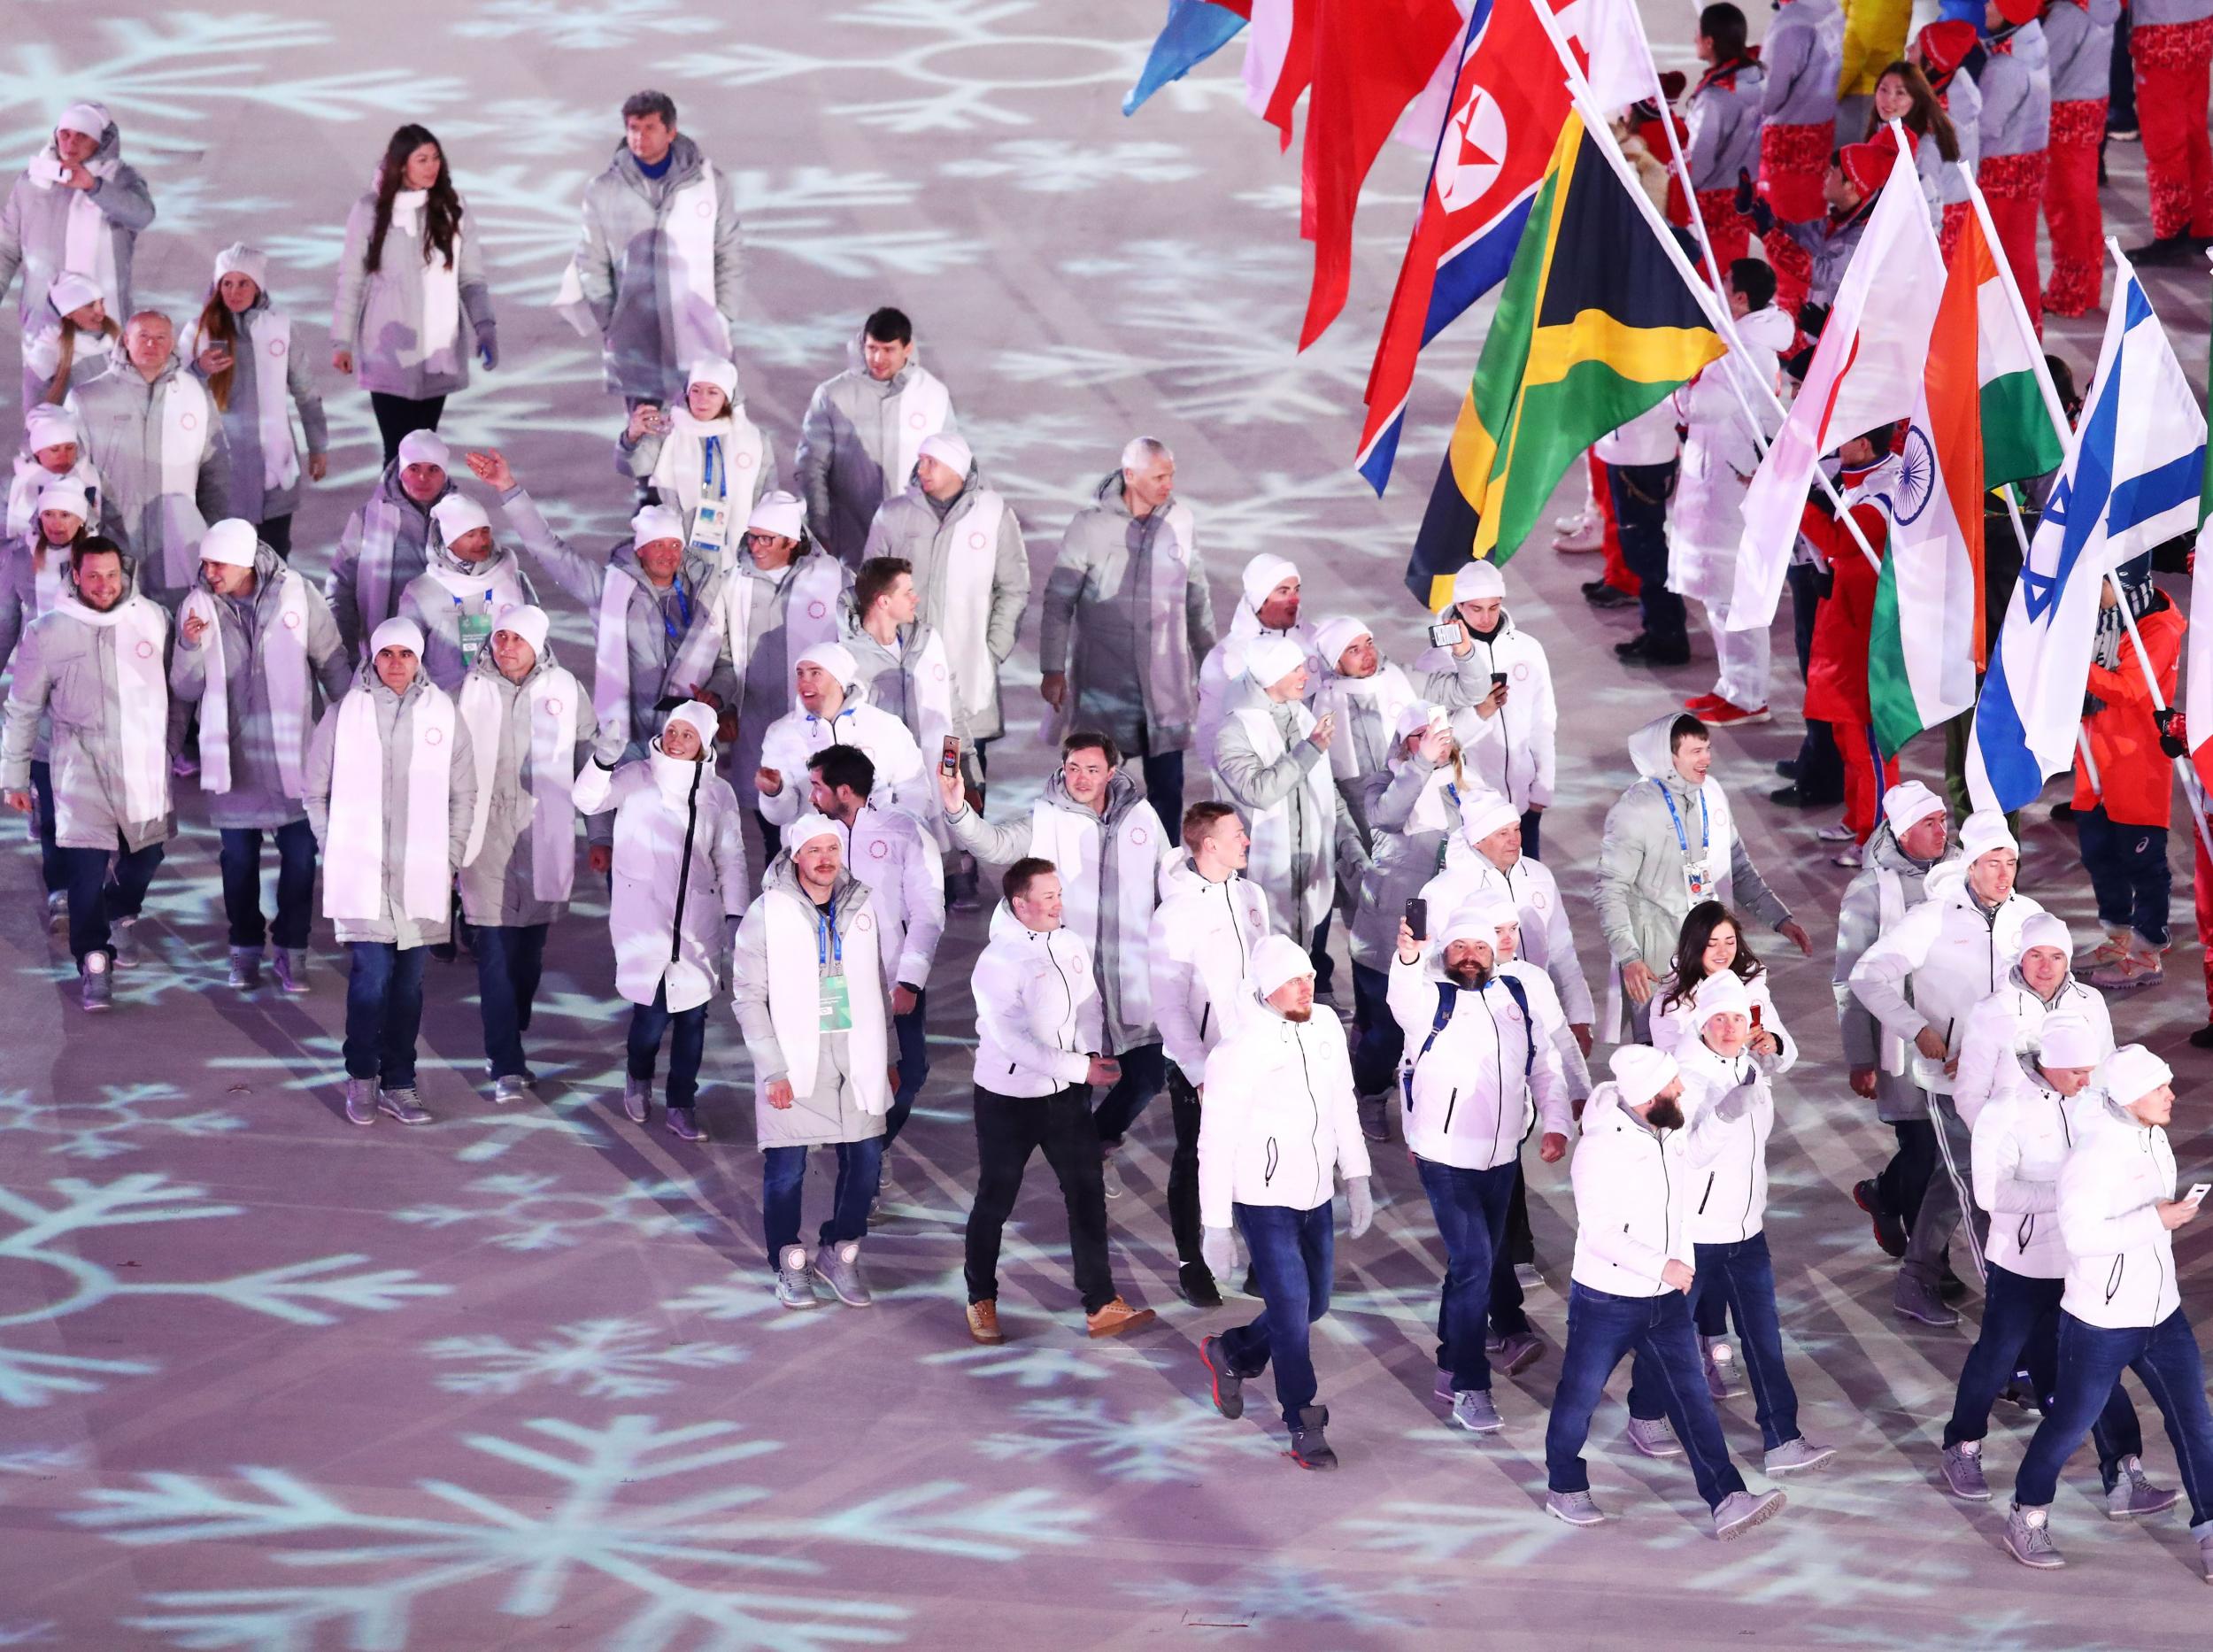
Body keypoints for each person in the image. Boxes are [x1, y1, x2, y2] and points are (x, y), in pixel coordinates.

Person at [1543, 1045, 1789, 1539]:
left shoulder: (1667, 1128)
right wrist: (1665, 1265)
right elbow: (1600, 1233)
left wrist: (1722, 1116)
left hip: (1666, 1298)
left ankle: (1726, 1498)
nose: (1681, 1090)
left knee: (1693, 1396)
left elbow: (1695, 1156)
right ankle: (1564, 1487)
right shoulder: (1599, 1151)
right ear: (1647, 1097)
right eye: (1672, 1085)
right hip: (1606, 1301)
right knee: (1580, 1397)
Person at [1941, 1015, 2171, 1516]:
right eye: (2076, 1073)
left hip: (2083, 1263)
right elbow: (1991, 1194)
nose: (2087, 1083)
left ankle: (2124, 1472)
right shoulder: (2003, 1112)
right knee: (1997, 1357)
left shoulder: (2092, 1102)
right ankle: (1962, 1444)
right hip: (2022, 1264)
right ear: (2047, 1065)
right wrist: (2068, 1196)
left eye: (2091, 1071)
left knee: (2096, 1372)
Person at [2003, 1046, 2213, 1575]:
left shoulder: (2153, 1136)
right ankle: (2026, 1514)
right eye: (2159, 1087)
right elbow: (2081, 1237)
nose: (2172, 1093)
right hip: (2100, 1324)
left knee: (2196, 1423)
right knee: (2070, 1425)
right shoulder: (2093, 1158)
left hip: (2163, 1316)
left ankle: (2210, 1529)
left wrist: (2162, 1220)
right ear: (2128, 1097)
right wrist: (2156, 1221)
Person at [1618, 974, 1837, 1476]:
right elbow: (1686, 1156)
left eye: (1738, 1018)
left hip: (1746, 1231)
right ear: (1701, 1022)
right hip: (1695, 1234)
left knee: (1764, 1338)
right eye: (1719, 1018)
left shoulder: (1748, 1068)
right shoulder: (1689, 1079)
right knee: (1672, 1334)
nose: (1729, 1027)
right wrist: (1723, 1115)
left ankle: (1782, 1437)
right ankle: (1646, 1412)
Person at [942, 731, 1175, 1196]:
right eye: (1073, 768)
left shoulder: (1142, 816)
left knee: (1148, 1073)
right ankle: (1083, 1172)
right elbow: (992, 844)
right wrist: (956, 809)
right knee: (1079, 1079)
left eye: (1092, 769)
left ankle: (1099, 1141)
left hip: (1132, 974)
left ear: (1112, 771)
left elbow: (1168, 881)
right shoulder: (1045, 819)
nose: (1081, 778)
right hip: (1073, 977)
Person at [1850, 810, 2044, 1325]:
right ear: (1970, 866)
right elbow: (1866, 975)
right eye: (1992, 863)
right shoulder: (1934, 917)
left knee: (1950, 1182)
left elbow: (2047, 993)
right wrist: (1917, 1029)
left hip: (2015, 1079)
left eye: (2012, 863)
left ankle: (1914, 1282)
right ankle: (2012, 1319)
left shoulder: (2030, 917)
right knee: (1981, 1190)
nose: (2005, 874)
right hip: (1952, 1083)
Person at [1390, 899, 1571, 1430]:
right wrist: (1406, 957)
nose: (1470, 957)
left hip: (1502, 1158)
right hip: (1445, 1158)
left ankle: (1451, 1362)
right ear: (1444, 953)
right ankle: (1471, 1384)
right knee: (1473, 1264)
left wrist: (1556, 1121)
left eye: (1480, 948)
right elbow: (1401, 995)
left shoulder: (1515, 996)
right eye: (1460, 948)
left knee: (1475, 1264)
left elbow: (1544, 1064)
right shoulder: (1428, 999)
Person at [963, 856, 1159, 1345]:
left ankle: (1100, 1303)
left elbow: (1089, 1004)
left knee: (1087, 1194)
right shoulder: (997, 962)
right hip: (1008, 1099)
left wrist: (1091, 1049)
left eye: (1058, 894)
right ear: (1020, 904)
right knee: (996, 1199)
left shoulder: (1069, 941)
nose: (1058, 904)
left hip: (1065, 1098)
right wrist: (1082, 1069)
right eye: (1048, 897)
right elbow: (1015, 1045)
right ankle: (980, 1297)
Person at [1197, 933, 1373, 1471]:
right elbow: (1215, 1141)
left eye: (1310, 978)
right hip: (1264, 1197)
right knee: (1294, 1312)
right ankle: (1303, 1420)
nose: (1307, 987)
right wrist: (1216, 1226)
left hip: (1315, 1194)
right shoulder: (1238, 1050)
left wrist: (1358, 1174)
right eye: (1294, 980)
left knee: (1312, 1305)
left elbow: (1343, 1100)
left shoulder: (1322, 1026)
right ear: (1266, 988)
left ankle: (1234, 1352)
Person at [304, 617, 475, 1126]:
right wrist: (333, 846)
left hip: (421, 875)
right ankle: (362, 1076)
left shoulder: (443, 713)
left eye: (406, 654)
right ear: (372, 658)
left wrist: (448, 859)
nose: (396, 664)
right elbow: (315, 791)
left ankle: (400, 1083)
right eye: (387, 654)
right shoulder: (343, 714)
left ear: (419, 659)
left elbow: (462, 794)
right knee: (372, 980)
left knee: (408, 988)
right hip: (364, 872)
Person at [171, 519, 350, 993]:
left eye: (218, 563)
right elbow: (184, 687)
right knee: (238, 863)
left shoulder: (298, 594)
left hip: (294, 756)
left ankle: (293, 950)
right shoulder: (196, 607)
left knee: (299, 859)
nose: (209, 572)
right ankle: (245, 949)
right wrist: (189, 645)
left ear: (246, 561)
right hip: (236, 761)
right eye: (205, 562)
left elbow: (331, 661)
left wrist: (353, 728)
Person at [472, 451, 732, 764]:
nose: (668, 554)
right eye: (659, 545)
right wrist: (508, 488)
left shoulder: (705, 594)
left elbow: (726, 663)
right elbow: (550, 550)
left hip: (685, 738)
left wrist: (717, 695)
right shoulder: (612, 588)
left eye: (675, 545)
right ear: (640, 550)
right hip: (628, 735)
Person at [0, 535, 171, 1009]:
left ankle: (120, 911)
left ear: (125, 574)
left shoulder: (151, 620)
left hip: (141, 771)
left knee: (148, 855)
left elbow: (181, 690)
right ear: (75, 576)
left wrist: (170, 748)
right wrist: (14, 777)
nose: (103, 585)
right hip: (80, 773)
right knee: (85, 872)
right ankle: (94, 961)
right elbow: (23, 706)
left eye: (111, 575)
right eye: (92, 575)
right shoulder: (49, 631)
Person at [734, 813, 893, 1310]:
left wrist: (891, 1052)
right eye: (814, 850)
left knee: (866, 1163)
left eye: (833, 849)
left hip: (856, 1055)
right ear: (796, 856)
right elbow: (747, 996)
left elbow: (877, 982)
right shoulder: (769, 911)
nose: (825, 860)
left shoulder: (860, 905)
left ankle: (839, 1252)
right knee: (787, 1168)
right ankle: (787, 1262)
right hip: (797, 1058)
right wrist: (772, 1068)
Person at [573, 701, 748, 1140]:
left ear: (704, 744)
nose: (676, 740)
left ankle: (682, 1103)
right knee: (650, 1018)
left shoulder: (718, 793)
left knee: (692, 1020)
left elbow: (731, 858)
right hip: (644, 917)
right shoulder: (639, 777)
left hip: (694, 922)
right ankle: (638, 1075)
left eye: (688, 735)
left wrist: (735, 914)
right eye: (672, 731)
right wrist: (602, 761)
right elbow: (588, 798)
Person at [1596, 713, 1810, 1044]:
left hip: (1712, 953)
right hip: (1658, 960)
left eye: (1708, 749)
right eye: (1696, 751)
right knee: (1660, 1058)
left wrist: (1779, 919)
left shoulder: (1712, 794)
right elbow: (1611, 889)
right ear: (1669, 758)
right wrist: (1629, 956)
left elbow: (1736, 866)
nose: (1707, 759)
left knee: (1720, 1045)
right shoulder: (1634, 811)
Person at [1038, 437, 1214, 834]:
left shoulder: (1180, 522)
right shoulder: (1091, 526)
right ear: (1130, 476)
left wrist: (1210, 664)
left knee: (1168, 790)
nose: (1168, 484)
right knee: (1094, 790)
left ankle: (1165, 875)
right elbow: (1058, 601)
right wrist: (1052, 668)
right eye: (1159, 476)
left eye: (1171, 475)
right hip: (1104, 689)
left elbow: (1196, 595)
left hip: (1164, 689)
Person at [456, 606, 596, 1103]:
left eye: (517, 639)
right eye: (501, 639)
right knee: (493, 952)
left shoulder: (565, 689)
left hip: (543, 833)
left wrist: (599, 835)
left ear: (537, 645)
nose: (507, 647)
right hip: (485, 837)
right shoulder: (467, 690)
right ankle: (506, 1061)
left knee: (527, 955)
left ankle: (510, 1028)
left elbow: (589, 764)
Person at [1149, 800, 1274, 1307]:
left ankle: (1261, 1257)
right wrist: (1198, 1070)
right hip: (1199, 1062)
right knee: (1197, 1159)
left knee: (1256, 1154)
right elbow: (1169, 1004)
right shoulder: (1175, 914)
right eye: (1237, 834)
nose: (1246, 841)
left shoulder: (1252, 896)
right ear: (1209, 845)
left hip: (1254, 1053)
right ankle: (1191, 1261)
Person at [668, 490, 851, 834]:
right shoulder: (733, 584)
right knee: (771, 824)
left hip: (820, 731)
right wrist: (720, 701)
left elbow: (853, 652)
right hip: (760, 731)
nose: (756, 546)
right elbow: (724, 659)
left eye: (767, 538)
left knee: (824, 829)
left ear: (791, 541)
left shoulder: (833, 580)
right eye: (752, 537)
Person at [858, 430, 1028, 791]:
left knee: (957, 765)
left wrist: (992, 650)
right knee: (898, 768)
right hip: (900, 668)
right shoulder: (895, 514)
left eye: (931, 461)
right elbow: (870, 587)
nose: (922, 468)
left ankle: (964, 840)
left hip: (963, 672)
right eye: (920, 459)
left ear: (957, 467)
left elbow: (1013, 588)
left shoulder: (992, 513)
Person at [1835, 781, 1956, 1266]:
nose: (1941, 831)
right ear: (1903, 833)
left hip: (1957, 1039)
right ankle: (1932, 1265)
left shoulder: (1962, 875)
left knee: (1947, 1154)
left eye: (1944, 820)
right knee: (1924, 1150)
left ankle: (1883, 1193)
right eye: (1929, 823)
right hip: (1901, 1046)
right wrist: (1861, 1057)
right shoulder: (1868, 892)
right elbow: (1850, 979)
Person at [804, 745, 942, 1168]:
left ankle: (872, 1153)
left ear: (844, 790)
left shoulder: (905, 831)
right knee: (845, 1078)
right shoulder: (808, 835)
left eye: (817, 787)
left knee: (910, 1073)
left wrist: (910, 980)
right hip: (831, 984)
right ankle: (861, 1171)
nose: (811, 797)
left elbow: (928, 912)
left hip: (892, 981)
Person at [557, 90, 742, 405]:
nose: (639, 137)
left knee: (703, 435)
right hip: (636, 337)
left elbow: (728, 252)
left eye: (649, 128)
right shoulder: (604, 190)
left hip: (698, 331)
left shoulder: (708, 183)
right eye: (633, 129)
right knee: (644, 438)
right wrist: (611, 320)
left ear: (670, 131)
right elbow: (592, 260)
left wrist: (724, 315)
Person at [1670, 259, 1792, 730]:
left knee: (1734, 595)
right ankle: (1732, 684)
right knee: (1720, 594)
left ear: (1741, 297)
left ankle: (1748, 696)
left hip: (1730, 484)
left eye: (1725, 284)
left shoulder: (1746, 350)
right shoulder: (1743, 342)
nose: (1720, 290)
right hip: (1720, 476)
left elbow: (1707, 406)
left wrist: (1678, 390)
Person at [332, 124, 495, 461]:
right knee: (399, 454)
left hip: (438, 349)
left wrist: (485, 325)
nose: (432, 166)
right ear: (401, 164)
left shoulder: (452, 208)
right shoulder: (370, 210)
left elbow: (470, 277)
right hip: (388, 350)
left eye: (435, 158)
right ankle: (391, 514)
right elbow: (352, 278)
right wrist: (342, 341)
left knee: (425, 454)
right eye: (422, 159)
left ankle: (422, 515)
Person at [67, 311, 229, 608]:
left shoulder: (194, 395)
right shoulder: (89, 398)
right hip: (112, 547)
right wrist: (87, 539)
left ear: (172, 344)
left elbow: (215, 473)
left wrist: (212, 536)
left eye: (160, 337)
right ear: (126, 340)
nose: (151, 344)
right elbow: (74, 479)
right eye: (143, 336)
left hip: (179, 545)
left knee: (181, 636)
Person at [1798, 424, 1907, 865]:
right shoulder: (1859, 478)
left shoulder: (1883, 491)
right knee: (1846, 733)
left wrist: (1798, 506)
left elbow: (1842, 541)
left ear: (1864, 444)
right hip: (1843, 622)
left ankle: (1877, 835)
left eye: (1845, 438)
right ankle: (1856, 816)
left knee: (1869, 742)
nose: (1836, 446)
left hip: (1870, 631)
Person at [1346, 706, 1460, 1131]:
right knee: (1388, 1030)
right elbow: (1387, 816)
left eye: (1438, 734)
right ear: (1404, 744)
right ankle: (1371, 1093)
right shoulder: (1384, 783)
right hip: (1386, 935)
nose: (1433, 741)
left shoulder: (1462, 783)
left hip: (1442, 932)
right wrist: (1423, 764)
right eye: (1420, 735)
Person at [2070, 566, 2183, 992]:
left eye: (2097, 581)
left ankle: (2148, 948)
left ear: (2121, 583)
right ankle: (2118, 939)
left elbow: (2130, 688)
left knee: (2144, 864)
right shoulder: (2106, 618)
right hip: (2094, 757)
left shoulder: (2157, 628)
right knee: (2099, 855)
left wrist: (2073, 664)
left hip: (2136, 765)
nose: (2089, 591)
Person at [1426, 789, 1595, 1061]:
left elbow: (1562, 952)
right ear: (1478, 840)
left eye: (1515, 829)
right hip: (1481, 1027)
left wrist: (1578, 1016)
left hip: (1539, 1015)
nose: (1515, 839)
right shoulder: (1445, 891)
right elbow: (1435, 968)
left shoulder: (1539, 876)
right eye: (1502, 833)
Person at [182, 245, 328, 558]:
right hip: (222, 467)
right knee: (224, 556)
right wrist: (198, 370)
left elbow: (305, 390)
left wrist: (318, 446)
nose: (234, 292)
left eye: (243, 283)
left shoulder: (279, 327)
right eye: (227, 283)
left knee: (273, 554)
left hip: (273, 463)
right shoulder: (198, 332)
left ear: (258, 286)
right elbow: (175, 395)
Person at [1212, 635, 1337, 993]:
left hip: (1307, 854)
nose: (1305, 675)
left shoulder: (1301, 714)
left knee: (1305, 942)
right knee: (1264, 954)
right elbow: (1258, 792)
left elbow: (1326, 788)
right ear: (1271, 676)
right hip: (1262, 863)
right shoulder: (1235, 729)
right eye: (1295, 668)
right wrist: (1310, 748)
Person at [795, 307, 960, 567]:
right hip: (848, 538)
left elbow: (953, 467)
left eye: (888, 349)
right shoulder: (834, 394)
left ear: (907, 348)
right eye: (872, 348)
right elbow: (811, 466)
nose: (877, 358)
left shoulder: (932, 395)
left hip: (914, 540)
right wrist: (820, 527)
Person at [0, 475, 90, 925]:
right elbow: (5, 625)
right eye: (49, 514)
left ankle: (93, 881)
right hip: (39, 696)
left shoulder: (101, 560)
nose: (56, 523)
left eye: (65, 515)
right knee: (52, 804)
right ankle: (60, 887)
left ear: (82, 518)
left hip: (90, 697)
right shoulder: (20, 561)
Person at [1426, 560, 1558, 856]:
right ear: (1458, 605)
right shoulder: (1438, 660)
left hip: (1523, 805)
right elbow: (1438, 742)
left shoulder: (1528, 648)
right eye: (1476, 608)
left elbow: (1543, 721)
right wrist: (1479, 712)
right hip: (1470, 808)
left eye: (1494, 607)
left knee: (1524, 885)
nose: (1486, 618)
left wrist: (1542, 789)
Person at [0, 103, 153, 355]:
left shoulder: (119, 178)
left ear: (99, 141)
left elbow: (142, 215)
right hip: (43, 326)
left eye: (82, 136)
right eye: (65, 134)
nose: (71, 143)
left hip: (103, 324)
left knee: (101, 392)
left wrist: (94, 186)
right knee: (43, 392)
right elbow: (6, 248)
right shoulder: (31, 183)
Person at [1953, 914, 2115, 1127]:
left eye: (2056, 957)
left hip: (2080, 1136)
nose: (2046, 968)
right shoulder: (1991, 1011)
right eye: (2036, 956)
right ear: (2022, 958)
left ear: (2067, 961)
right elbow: (1970, 1094)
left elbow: (2104, 1072)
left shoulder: (2090, 1002)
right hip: (2017, 1140)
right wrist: (1996, 1145)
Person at [757, 641, 929, 833]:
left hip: (878, 850)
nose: (804, 682)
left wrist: (898, 837)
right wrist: (774, 793)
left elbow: (915, 790)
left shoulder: (885, 726)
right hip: (814, 855)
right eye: (800, 673)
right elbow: (780, 816)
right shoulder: (781, 733)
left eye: (815, 673)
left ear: (839, 679)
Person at [619, 357, 774, 556]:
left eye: (712, 392)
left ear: (727, 397)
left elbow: (766, 495)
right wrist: (632, 436)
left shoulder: (754, 439)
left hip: (736, 551)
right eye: (696, 390)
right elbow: (632, 467)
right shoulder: (669, 430)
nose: (702, 399)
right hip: (680, 549)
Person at [328, 428, 458, 661]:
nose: (422, 478)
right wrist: (346, 652)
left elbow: (485, 584)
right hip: (388, 654)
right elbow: (341, 586)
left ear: (445, 473)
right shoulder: (368, 519)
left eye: (433, 469)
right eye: (414, 468)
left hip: (448, 653)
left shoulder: (465, 519)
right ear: (400, 471)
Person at [843, 556, 965, 800]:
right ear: (884, 601)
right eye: (908, 592)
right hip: (880, 798)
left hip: (938, 792)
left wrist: (963, 777)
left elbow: (950, 714)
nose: (915, 598)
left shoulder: (928, 641)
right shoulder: (844, 657)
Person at [1756, 0, 1847, 319]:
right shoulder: (1831, 9)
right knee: (1810, 233)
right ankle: (1807, 322)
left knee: (1783, 241)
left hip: (1788, 151)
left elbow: (1768, 97)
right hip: (1819, 141)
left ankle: (1787, 328)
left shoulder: (1790, 24)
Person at [395, 492, 534, 691]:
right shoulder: (421, 591)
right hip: (448, 705)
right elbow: (406, 656)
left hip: (509, 700)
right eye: (470, 535)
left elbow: (539, 645)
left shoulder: (515, 580)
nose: (482, 541)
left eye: (485, 531)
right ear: (448, 539)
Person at [1195, 552, 1320, 772]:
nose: (1294, 599)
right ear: (1260, 599)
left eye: (1296, 590)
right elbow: (1211, 734)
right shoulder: (1227, 658)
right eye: (1283, 591)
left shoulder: (1318, 640)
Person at [1973, 0, 2055, 332]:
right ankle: (2027, 329)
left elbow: (1987, 125)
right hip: (2028, 159)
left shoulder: (2005, 67)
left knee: (2002, 255)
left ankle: (2010, 332)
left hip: (2002, 168)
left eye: (1993, 2)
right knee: (2020, 252)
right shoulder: (2032, 44)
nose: (1986, 7)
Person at [2040, 0, 2122, 313]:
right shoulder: (2104, 5)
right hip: (2090, 108)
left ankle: (2069, 294)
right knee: (2084, 203)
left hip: (2064, 114)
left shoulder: (2068, 15)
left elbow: (2044, 70)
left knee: (2065, 205)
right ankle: (2086, 288)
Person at [2119, 0, 2213, 264]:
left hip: (2160, 32)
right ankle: (2203, 225)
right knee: (2195, 133)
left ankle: (2172, 232)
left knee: (2164, 142)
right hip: (2200, 24)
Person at [1600, 401, 1688, 662]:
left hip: (1642, 455)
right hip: (1631, 451)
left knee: (1645, 549)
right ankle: (1659, 629)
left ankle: (1668, 637)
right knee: (1640, 547)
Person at [1685, 5, 1768, 272]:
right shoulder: (1760, 80)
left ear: (1709, 42)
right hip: (1746, 195)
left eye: (1697, 34)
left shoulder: (1714, 97)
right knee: (1734, 275)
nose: (1693, 39)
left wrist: (1679, 187)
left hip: (1714, 204)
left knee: (1710, 282)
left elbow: (1700, 160)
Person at [1913, 22, 1986, 255]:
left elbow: (1928, 179)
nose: (1907, 49)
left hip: (1939, 218)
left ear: (1932, 61)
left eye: (1915, 46)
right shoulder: (1957, 93)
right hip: (1960, 213)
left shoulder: (1938, 117)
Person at [1866, 58, 1964, 230]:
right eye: (1883, 90)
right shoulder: (1881, 132)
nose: (1889, 99)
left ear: (1916, 99)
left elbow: (1931, 213)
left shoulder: (1924, 149)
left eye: (1900, 93)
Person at [20, 272, 118, 413]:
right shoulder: (44, 355)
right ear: (68, 312)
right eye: (90, 305)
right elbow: (35, 416)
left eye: (101, 302)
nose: (101, 312)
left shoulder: (116, 339)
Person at [8, 405, 100, 540]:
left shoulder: (89, 476)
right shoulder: (23, 483)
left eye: (69, 447)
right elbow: (10, 538)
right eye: (54, 449)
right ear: (38, 451)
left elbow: (103, 527)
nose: (63, 456)